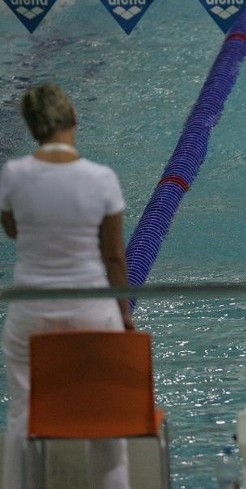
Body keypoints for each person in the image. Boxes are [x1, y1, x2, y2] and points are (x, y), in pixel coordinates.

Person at [1, 83, 134, 488]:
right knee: (107, 421)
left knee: (23, 414)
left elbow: (12, 229)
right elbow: (114, 257)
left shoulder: (12, 174)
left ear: (32, 127)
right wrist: (124, 315)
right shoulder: (101, 178)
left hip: (31, 310)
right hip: (91, 310)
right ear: (73, 119)